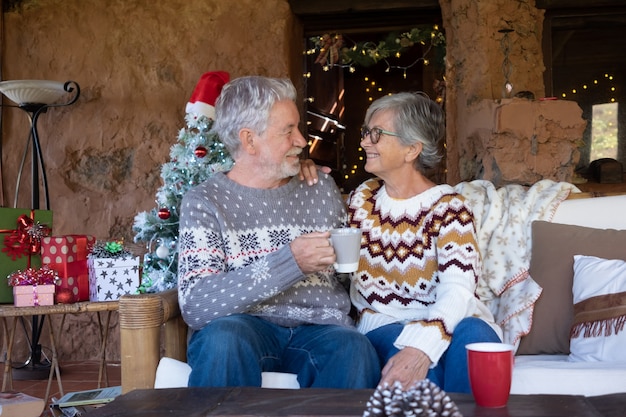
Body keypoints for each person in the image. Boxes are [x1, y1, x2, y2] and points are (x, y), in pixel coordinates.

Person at [177, 75, 380, 388]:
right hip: (244, 327)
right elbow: (197, 304)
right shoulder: (205, 202)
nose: (301, 140)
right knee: (223, 341)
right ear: (249, 140)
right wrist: (290, 262)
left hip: (321, 328)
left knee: (353, 350)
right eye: (289, 131)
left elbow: (350, 274)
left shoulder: (318, 187)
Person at [301, 92, 503, 393]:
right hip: (384, 325)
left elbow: (458, 289)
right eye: (366, 132)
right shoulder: (362, 198)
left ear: (412, 149)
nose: (365, 142)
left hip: (446, 319)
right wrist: (301, 171)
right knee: (408, 368)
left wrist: (423, 346)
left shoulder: (449, 207)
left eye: (377, 134)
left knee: (477, 336)